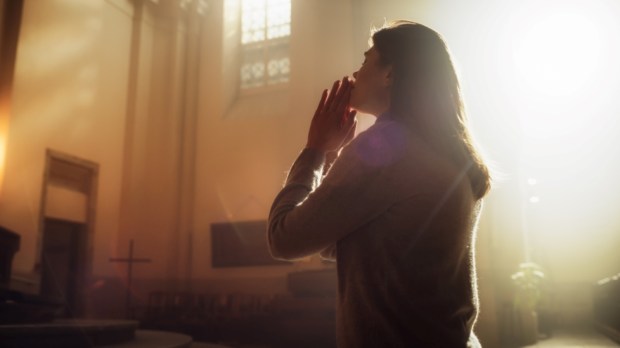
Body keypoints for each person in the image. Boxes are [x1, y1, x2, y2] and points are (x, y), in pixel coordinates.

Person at [268, 20, 490, 347]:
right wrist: (334, 154)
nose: (355, 74)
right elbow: (347, 244)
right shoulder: (451, 152)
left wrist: (315, 149)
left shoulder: (389, 146)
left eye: (365, 60)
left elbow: (284, 239)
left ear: (390, 74)